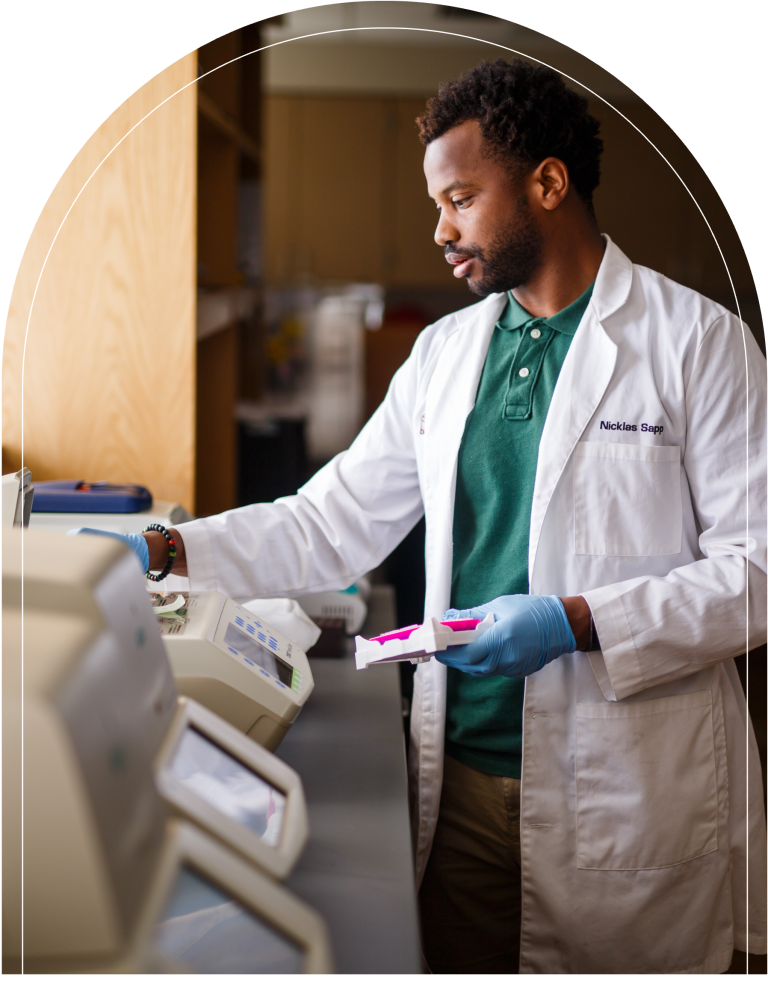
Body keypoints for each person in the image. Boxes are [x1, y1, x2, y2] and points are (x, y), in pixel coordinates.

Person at [99, 58, 767, 976]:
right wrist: (167, 549)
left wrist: (577, 623)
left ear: (548, 182)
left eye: (461, 198)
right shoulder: (445, 355)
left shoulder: (697, 344)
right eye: (438, 203)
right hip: (457, 789)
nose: (441, 230)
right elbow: (325, 523)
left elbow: (757, 572)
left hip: (625, 794)